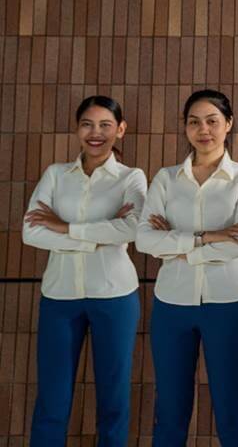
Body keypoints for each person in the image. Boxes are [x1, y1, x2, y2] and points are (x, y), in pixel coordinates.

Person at [136, 89, 238, 447]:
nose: (203, 130)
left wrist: (176, 243)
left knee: (232, 404)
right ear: (185, 128)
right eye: (194, 122)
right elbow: (145, 241)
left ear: (228, 124)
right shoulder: (166, 178)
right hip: (171, 305)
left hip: (227, 303)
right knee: (171, 406)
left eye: (212, 121)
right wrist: (209, 237)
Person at [23, 95, 146, 447]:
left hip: (115, 298)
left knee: (113, 397)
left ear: (120, 130)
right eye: (87, 124)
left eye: (106, 125)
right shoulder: (56, 175)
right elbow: (31, 232)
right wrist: (100, 234)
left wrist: (64, 228)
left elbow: (133, 230)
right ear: (77, 129)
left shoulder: (131, 177)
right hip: (59, 297)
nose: (96, 133)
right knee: (52, 397)